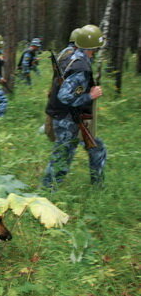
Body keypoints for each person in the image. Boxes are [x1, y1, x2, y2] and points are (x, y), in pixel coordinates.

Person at [42, 24, 107, 189]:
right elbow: (65, 96)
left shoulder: (68, 56)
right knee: (61, 159)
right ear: (91, 48)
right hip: (67, 119)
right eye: (95, 49)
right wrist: (90, 96)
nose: (95, 52)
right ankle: (47, 192)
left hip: (67, 116)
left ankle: (97, 187)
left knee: (96, 148)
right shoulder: (80, 67)